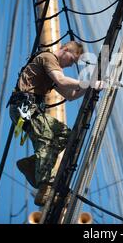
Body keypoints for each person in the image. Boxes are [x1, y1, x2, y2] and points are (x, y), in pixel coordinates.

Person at [8, 41, 103, 206]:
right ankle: (44, 189)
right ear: (65, 49)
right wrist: (89, 83)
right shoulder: (48, 58)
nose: (69, 65)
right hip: (24, 108)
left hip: (31, 110)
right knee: (46, 138)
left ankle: (33, 164)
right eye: (71, 60)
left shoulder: (52, 69)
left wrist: (89, 87)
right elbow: (61, 80)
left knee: (65, 135)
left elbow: (71, 95)